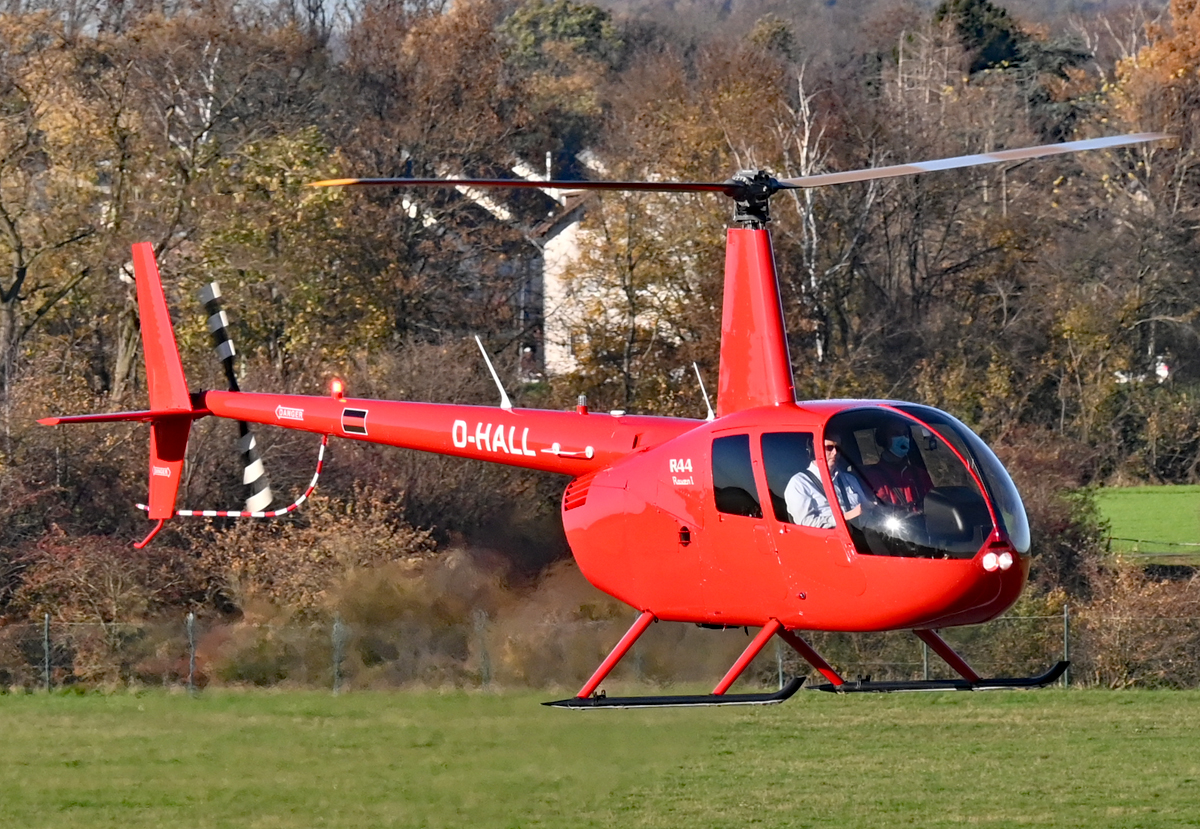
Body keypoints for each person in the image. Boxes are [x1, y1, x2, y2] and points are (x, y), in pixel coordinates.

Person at [785, 439, 870, 528]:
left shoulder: (849, 479)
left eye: (838, 448)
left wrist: (873, 506)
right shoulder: (799, 483)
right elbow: (806, 523)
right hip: (829, 538)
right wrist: (845, 517)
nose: (835, 452)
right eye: (829, 448)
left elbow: (866, 508)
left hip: (862, 535)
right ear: (814, 449)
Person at [862, 420, 933, 513]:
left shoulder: (920, 474)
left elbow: (934, 505)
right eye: (896, 434)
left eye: (905, 434)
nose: (903, 438)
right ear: (883, 440)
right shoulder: (872, 477)